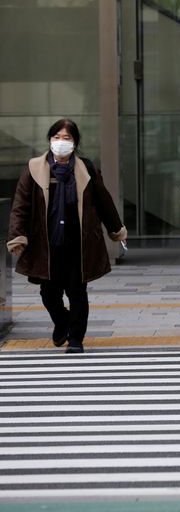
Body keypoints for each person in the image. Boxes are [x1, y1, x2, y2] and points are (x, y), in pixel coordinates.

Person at [7, 119, 127, 353]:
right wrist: (17, 236)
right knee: (48, 293)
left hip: (78, 243)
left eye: (67, 138)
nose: (61, 142)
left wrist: (116, 230)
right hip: (46, 244)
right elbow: (20, 205)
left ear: (75, 143)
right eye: (57, 137)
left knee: (77, 291)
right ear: (50, 140)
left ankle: (76, 340)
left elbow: (104, 203)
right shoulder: (34, 168)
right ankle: (62, 322)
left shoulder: (86, 169)